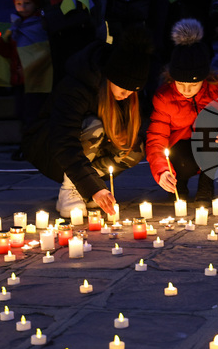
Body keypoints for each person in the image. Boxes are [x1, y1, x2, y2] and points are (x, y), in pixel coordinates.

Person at [21, 33, 150, 217]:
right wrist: (93, 187)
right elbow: (63, 140)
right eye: (123, 88)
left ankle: (86, 187)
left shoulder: (126, 95)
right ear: (111, 76)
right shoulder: (77, 87)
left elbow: (137, 131)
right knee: (94, 126)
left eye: (132, 91)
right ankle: (71, 188)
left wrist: (93, 185)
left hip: (84, 156)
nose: (126, 95)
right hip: (52, 150)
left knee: (133, 147)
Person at [146, 19, 218, 204]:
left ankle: (206, 184)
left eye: (193, 84)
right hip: (179, 153)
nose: (186, 90)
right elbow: (156, 137)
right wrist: (162, 171)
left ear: (204, 78)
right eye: (181, 84)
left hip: (208, 147)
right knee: (181, 162)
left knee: (209, 122)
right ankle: (178, 182)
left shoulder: (217, 89)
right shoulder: (165, 97)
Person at [0, 0, 51, 158]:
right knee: (23, 114)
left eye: (27, 3)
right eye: (18, 3)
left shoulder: (40, 26)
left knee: (33, 115)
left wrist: (29, 67)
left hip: (37, 81)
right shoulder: (16, 27)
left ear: (36, 3)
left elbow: (43, 54)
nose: (22, 7)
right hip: (20, 81)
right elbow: (9, 53)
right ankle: (28, 146)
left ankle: (34, 147)